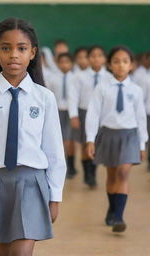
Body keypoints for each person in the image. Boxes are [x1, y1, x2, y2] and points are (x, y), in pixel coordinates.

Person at [0, 17, 66, 256]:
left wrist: (55, 195)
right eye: (6, 48)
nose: (14, 55)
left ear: (33, 53)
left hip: (32, 183)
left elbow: (54, 151)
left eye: (22, 48)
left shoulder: (44, 97)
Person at [86, 46, 148, 232]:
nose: (121, 65)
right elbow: (93, 114)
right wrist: (90, 139)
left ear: (132, 65)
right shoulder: (102, 87)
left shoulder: (136, 90)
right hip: (108, 134)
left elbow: (141, 117)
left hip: (129, 135)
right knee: (112, 174)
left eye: (125, 61)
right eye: (116, 61)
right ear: (109, 65)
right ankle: (112, 211)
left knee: (123, 173)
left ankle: (119, 217)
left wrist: (142, 143)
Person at [69, 45, 110, 188]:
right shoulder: (79, 76)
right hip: (84, 112)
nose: (96, 58)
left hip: (102, 114)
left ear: (105, 59)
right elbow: (73, 97)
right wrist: (73, 115)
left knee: (97, 146)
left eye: (99, 55)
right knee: (85, 145)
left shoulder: (109, 77)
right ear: (88, 59)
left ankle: (93, 173)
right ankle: (87, 174)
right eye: (92, 55)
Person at [48, 53, 77, 179]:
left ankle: (71, 166)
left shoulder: (76, 78)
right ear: (57, 63)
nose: (64, 64)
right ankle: (59, 165)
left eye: (67, 62)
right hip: (57, 112)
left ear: (72, 64)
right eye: (62, 62)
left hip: (71, 112)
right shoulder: (52, 78)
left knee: (70, 140)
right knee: (58, 140)